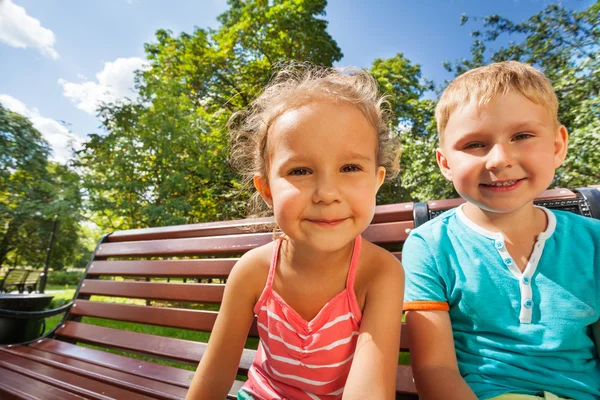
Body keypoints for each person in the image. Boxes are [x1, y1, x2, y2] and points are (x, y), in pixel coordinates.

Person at [185, 65, 404, 400]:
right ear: (267, 189)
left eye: (350, 168)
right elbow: (213, 377)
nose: (327, 193)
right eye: (300, 170)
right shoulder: (252, 271)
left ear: (376, 181)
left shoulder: (380, 273)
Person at [402, 60, 600, 400]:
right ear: (446, 163)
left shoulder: (592, 240)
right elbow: (435, 370)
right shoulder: (430, 245)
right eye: (475, 144)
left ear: (557, 145)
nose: (498, 159)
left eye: (522, 136)